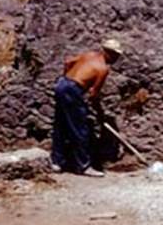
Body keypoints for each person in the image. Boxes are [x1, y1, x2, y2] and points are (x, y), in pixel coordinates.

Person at [50, 38, 122, 177]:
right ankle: (83, 166)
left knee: (61, 125)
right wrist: (98, 112)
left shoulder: (89, 55)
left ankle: (57, 162)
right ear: (108, 52)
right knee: (80, 130)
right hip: (73, 90)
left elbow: (68, 62)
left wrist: (67, 78)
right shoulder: (103, 68)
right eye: (115, 55)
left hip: (61, 84)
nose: (116, 58)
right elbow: (93, 94)